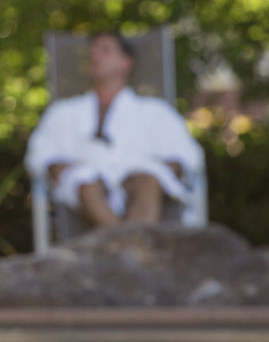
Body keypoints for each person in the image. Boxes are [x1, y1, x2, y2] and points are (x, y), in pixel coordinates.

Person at [24, 31, 203, 228]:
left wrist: (160, 170)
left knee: (148, 181)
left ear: (126, 62)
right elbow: (40, 154)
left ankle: (120, 244)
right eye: (92, 51)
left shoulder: (156, 110)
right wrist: (56, 167)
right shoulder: (62, 112)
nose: (95, 56)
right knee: (86, 183)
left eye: (105, 50)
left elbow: (187, 155)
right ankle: (132, 244)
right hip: (84, 188)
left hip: (144, 185)